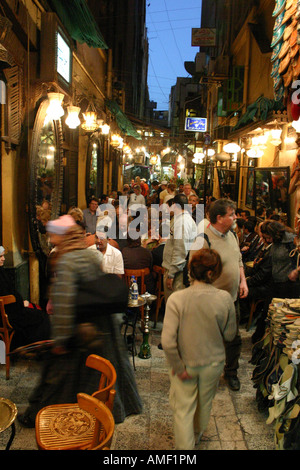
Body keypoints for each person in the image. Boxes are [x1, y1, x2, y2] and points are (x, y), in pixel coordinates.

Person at [18, 215, 142, 427]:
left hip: (80, 326)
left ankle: (47, 414)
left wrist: (61, 338)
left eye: (53, 235)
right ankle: (106, 409)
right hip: (101, 325)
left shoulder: (66, 260)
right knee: (102, 371)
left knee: (62, 375)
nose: (51, 239)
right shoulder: (90, 255)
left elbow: (65, 302)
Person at [161, 249, 236, 450]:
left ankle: (185, 448)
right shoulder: (225, 299)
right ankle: (197, 434)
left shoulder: (177, 299)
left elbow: (167, 342)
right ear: (214, 272)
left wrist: (178, 366)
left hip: (185, 363)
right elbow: (230, 335)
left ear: (191, 270)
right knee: (204, 404)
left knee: (183, 409)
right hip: (213, 362)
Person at [190, 198, 248, 391]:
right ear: (219, 218)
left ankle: (231, 373)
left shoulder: (232, 235)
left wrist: (243, 280)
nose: (235, 217)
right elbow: (194, 272)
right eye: (231, 214)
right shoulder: (203, 239)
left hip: (231, 299)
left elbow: (238, 258)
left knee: (233, 339)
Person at [0, 246, 51, 349]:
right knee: (40, 317)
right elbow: (6, 297)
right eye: (0, 256)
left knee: (37, 314)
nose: (4, 258)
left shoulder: (1, 270)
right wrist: (21, 303)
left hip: (10, 310)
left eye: (3, 256)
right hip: (7, 315)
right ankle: (36, 348)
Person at [162, 194, 197, 301]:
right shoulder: (180, 219)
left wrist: (171, 275)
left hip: (178, 274)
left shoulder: (182, 222)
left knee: (175, 305)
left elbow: (180, 250)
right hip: (175, 270)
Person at [260, 220, 300, 298]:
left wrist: (296, 271)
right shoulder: (275, 241)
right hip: (276, 282)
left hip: (289, 284)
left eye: (268, 237)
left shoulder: (291, 241)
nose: (267, 240)